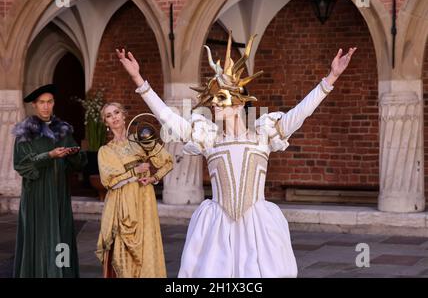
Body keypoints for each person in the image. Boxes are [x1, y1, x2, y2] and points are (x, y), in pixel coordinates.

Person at [116, 32, 356, 277]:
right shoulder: (208, 138)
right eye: (213, 100)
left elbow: (299, 113)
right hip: (218, 229)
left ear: (240, 104)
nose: (215, 105)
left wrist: (331, 78)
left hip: (258, 228)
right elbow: (169, 119)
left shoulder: (263, 135)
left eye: (222, 99)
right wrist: (138, 79)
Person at [12, 83, 87, 278]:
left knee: (61, 238)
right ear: (35, 106)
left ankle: (62, 274)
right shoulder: (25, 133)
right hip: (36, 196)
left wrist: (73, 154)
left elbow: (78, 164)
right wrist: (49, 156)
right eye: (42, 103)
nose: (46, 106)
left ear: (54, 104)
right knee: (40, 239)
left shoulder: (63, 131)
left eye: (49, 102)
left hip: (59, 194)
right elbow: (21, 164)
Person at [95, 102, 173, 278]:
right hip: (121, 203)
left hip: (144, 198)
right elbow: (110, 181)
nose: (114, 117)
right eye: (109, 115)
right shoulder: (106, 151)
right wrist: (134, 171)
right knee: (121, 247)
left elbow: (167, 161)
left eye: (116, 112)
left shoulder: (141, 140)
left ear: (124, 116)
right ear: (106, 122)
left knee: (146, 243)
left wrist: (154, 177)